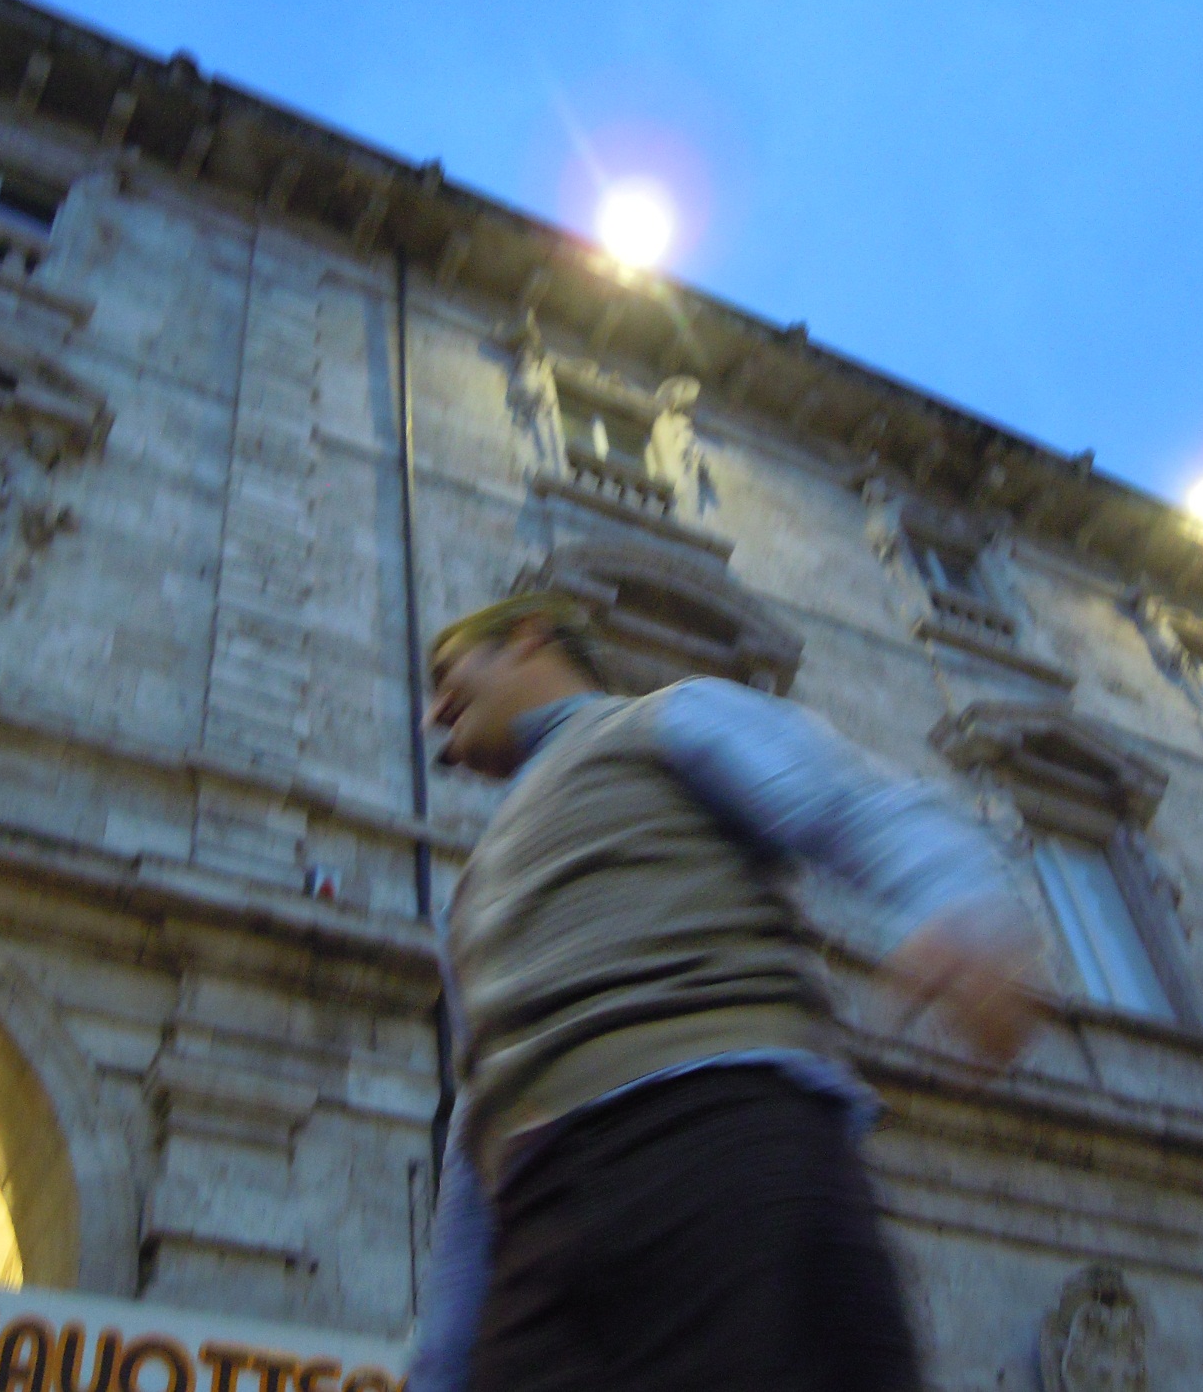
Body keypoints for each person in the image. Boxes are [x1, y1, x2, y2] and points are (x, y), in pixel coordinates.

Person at [410, 593, 1049, 1392]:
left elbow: (850, 804)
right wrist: (442, 1364)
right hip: (539, 1240)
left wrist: (968, 909)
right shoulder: (470, 895)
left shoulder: (667, 718)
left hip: (728, 1167)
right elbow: (480, 1124)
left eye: (447, 673)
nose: (433, 714)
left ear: (528, 638)